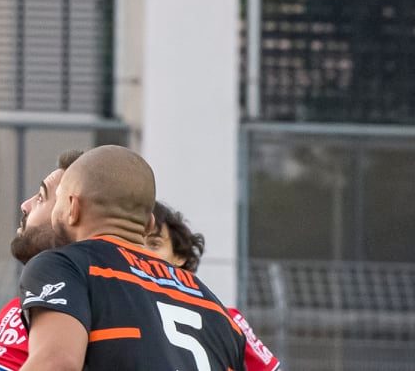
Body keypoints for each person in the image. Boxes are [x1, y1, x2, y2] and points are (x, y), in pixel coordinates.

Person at [20, 147, 243, 371]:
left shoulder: (66, 266)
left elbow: (56, 364)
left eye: (58, 199)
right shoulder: (216, 309)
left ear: (72, 208)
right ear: (149, 224)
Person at [0, 151, 85, 371]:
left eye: (41, 197)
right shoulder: (18, 308)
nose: (25, 205)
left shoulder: (56, 310)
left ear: (71, 213)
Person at [146, 203, 280, 371]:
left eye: (154, 244)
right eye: (136, 243)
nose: (143, 252)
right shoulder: (116, 312)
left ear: (179, 256)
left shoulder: (228, 319)